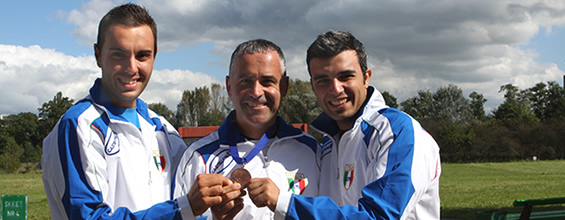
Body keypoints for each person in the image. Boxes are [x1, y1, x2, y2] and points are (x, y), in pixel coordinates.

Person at [42, 4, 237, 219]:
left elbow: (187, 205)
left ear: (155, 56)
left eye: (142, 56)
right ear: (98, 55)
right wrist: (185, 208)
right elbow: (91, 217)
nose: (131, 67)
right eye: (119, 55)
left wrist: (215, 210)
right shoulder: (80, 125)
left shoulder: (164, 131)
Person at [250, 30, 442, 219]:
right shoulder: (326, 146)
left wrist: (285, 203)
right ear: (313, 86)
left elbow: (380, 216)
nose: (335, 89)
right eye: (323, 80)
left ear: (366, 77)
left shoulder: (397, 133)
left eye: (345, 76)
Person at [174, 39, 320, 219]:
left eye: (267, 81)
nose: (256, 92)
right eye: (245, 81)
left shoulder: (312, 151)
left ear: (284, 87)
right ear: (229, 86)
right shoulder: (198, 157)